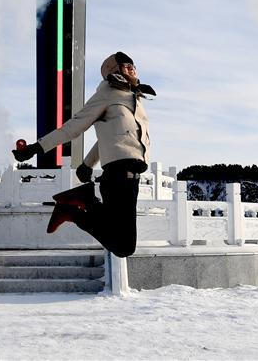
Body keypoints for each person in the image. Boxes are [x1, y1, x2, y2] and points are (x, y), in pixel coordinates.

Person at [12, 51, 156, 258]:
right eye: (125, 65)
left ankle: (83, 200)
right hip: (117, 177)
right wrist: (36, 148)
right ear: (113, 71)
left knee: (123, 245)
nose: (132, 68)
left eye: (133, 64)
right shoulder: (107, 93)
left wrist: (87, 164)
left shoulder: (134, 98)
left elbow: (112, 138)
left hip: (131, 179)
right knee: (124, 246)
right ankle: (74, 208)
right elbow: (75, 126)